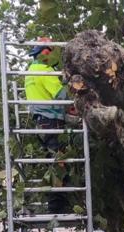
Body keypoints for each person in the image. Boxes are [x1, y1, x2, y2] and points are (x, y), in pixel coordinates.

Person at [25, 38, 71, 214]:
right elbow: (61, 95)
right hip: (51, 120)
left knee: (52, 161)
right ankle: (56, 207)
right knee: (58, 162)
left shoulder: (31, 70)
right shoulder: (45, 71)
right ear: (46, 53)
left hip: (40, 121)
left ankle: (56, 204)